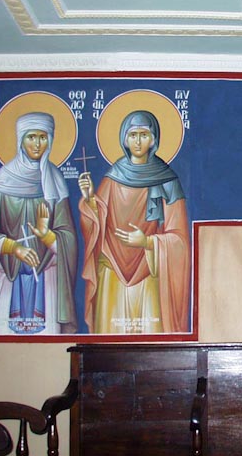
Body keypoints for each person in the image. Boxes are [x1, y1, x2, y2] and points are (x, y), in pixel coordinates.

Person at [78, 110, 191, 334]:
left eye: (143, 135)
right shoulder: (112, 178)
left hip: (149, 272)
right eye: (132, 135)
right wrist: (90, 199)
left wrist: (147, 242)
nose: (138, 141)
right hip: (112, 272)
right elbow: (96, 227)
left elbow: (179, 239)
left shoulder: (168, 181)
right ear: (124, 140)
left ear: (153, 140)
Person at [0, 112, 78, 334]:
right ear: (20, 139)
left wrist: (47, 235)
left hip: (46, 279)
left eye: (43, 137)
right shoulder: (2, 182)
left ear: (50, 140)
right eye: (31, 137)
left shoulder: (55, 182)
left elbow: (69, 239)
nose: (37, 144)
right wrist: (13, 247)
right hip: (7, 279)